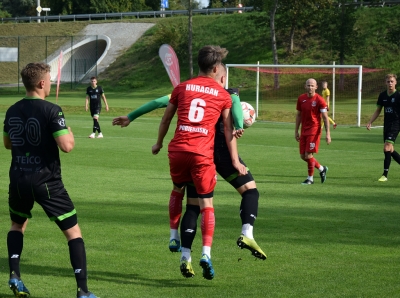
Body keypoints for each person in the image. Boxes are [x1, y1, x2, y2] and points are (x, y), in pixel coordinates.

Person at [112, 88, 267, 277]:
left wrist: (131, 116)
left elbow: (158, 102)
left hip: (197, 151)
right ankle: (247, 233)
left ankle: (185, 255)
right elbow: (234, 103)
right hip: (219, 150)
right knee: (250, 191)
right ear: (218, 73)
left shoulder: (187, 90)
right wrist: (240, 124)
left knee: (193, 205)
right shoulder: (225, 92)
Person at [3, 63, 101, 298]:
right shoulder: (52, 110)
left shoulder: (12, 110)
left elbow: (7, 144)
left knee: (17, 225)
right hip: (46, 181)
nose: (52, 83)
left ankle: (15, 275)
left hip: (17, 177)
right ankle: (83, 291)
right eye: (50, 79)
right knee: (73, 232)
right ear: (42, 83)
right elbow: (66, 146)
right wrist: (68, 131)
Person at [151, 45, 247, 280]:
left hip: (177, 150)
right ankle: (205, 253)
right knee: (206, 205)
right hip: (202, 154)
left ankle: (174, 235)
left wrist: (159, 143)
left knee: (177, 190)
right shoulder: (223, 95)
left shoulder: (181, 88)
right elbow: (227, 130)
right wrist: (234, 160)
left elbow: (165, 119)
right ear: (216, 68)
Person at [295, 78, 331, 185]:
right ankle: (321, 169)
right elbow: (298, 115)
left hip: (314, 130)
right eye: (308, 85)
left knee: (308, 155)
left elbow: (325, 117)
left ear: (316, 87)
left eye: (312, 85)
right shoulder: (301, 98)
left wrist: (328, 133)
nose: (310, 87)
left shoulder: (320, 100)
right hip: (304, 130)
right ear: (305, 86)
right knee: (303, 156)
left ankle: (310, 179)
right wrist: (296, 131)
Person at [366, 74, 400, 182]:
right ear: (385, 83)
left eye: (392, 81)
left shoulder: (398, 95)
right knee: (390, 150)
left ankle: (385, 175)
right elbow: (378, 110)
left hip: (396, 124)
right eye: (388, 81)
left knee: (386, 147)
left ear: (395, 83)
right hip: (387, 125)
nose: (390, 83)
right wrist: (370, 121)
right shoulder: (382, 96)